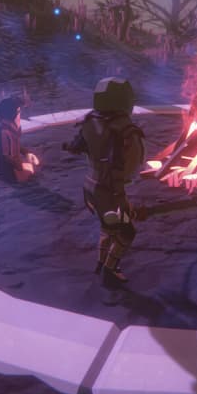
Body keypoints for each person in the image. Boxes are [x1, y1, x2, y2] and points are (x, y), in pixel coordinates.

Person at [63, 77, 145, 286]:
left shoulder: (89, 122)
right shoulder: (126, 130)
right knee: (127, 232)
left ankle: (100, 263)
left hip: (90, 188)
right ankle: (110, 269)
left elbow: (75, 147)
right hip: (110, 193)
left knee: (108, 226)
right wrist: (123, 200)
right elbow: (130, 169)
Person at [0, 96, 38, 183]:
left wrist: (27, 153)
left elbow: (15, 145)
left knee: (31, 167)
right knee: (32, 170)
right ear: (12, 114)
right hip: (11, 172)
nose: (20, 114)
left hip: (11, 168)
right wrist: (21, 169)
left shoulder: (9, 129)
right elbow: (8, 157)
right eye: (18, 112)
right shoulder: (5, 132)